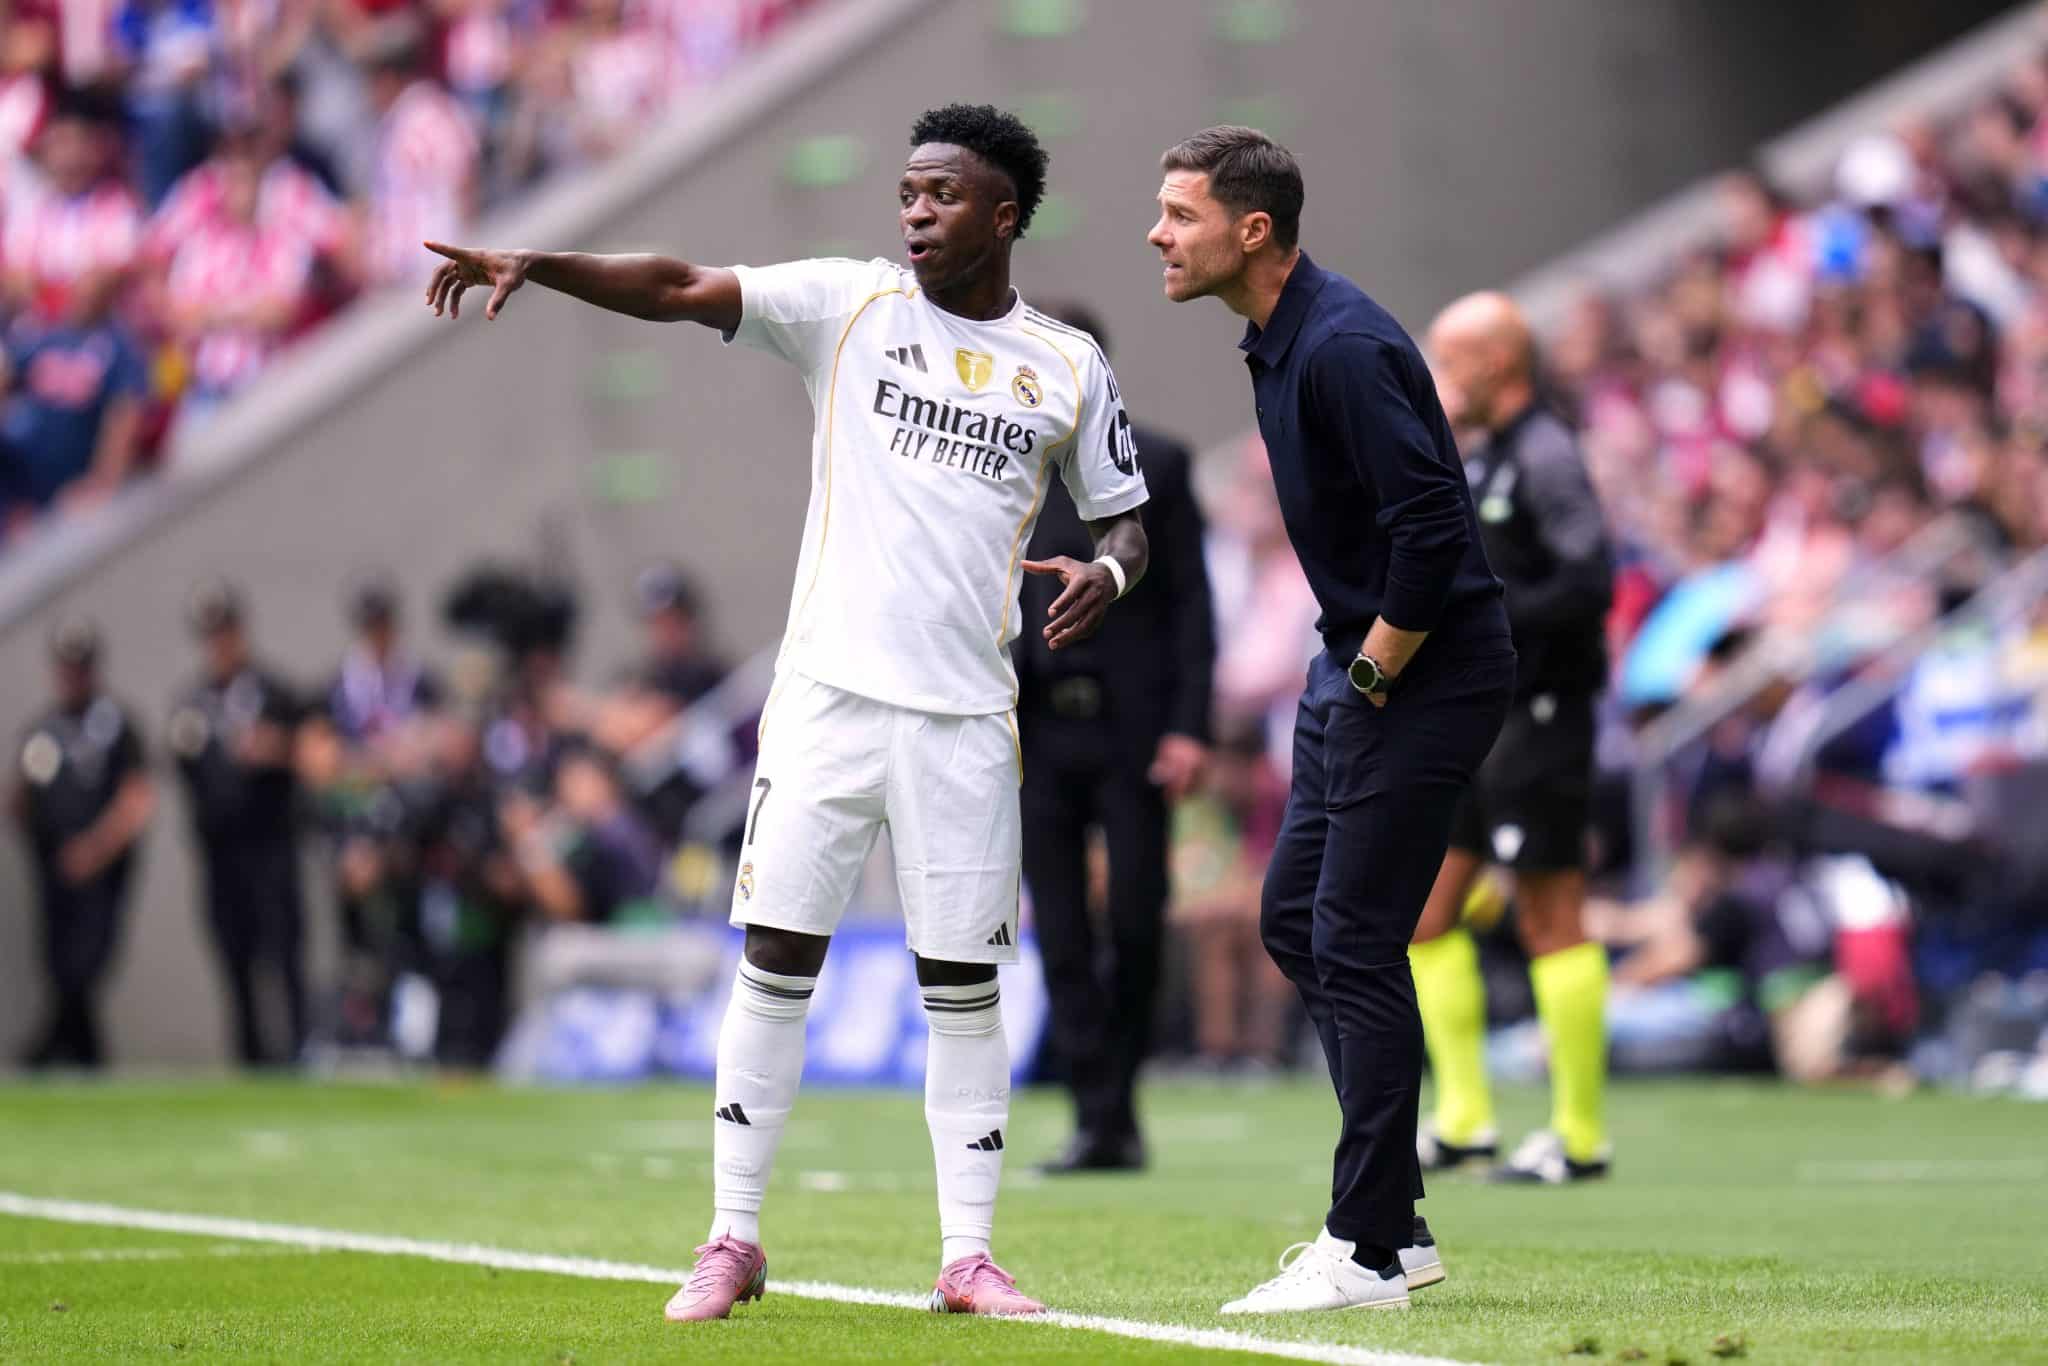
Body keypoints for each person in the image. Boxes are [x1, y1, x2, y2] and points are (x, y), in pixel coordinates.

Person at [423, 102, 1150, 1321]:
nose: (913, 211)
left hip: (968, 717)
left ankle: (966, 1255)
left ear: (1003, 215)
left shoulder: (1066, 364)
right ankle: (732, 1236)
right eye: (907, 192)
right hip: (824, 702)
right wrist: (541, 266)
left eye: (941, 195)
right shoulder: (847, 305)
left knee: (962, 984)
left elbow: (1125, 511)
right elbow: (675, 285)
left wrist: (1110, 571)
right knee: (775, 960)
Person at [1150, 125, 1514, 1313]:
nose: (1158, 233)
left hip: (1416, 671)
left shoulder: (1343, 345)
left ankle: (1361, 1246)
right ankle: (1395, 1222)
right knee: (1295, 919)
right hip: (1349, 665)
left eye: (1180, 214)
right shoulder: (1282, 337)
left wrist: (1367, 679)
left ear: (1251, 230)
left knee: (1352, 935)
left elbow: (1431, 536)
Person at [1409, 290, 1617, 1185]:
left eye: (1451, 357)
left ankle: (1579, 1137)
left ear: (1498, 362)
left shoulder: (1547, 453)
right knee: (1426, 915)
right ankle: (1464, 1118)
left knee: (1547, 912)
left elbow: (1589, 577)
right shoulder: (1487, 454)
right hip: (1482, 716)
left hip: (1541, 715)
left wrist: (1483, 617)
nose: (1439, 373)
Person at [1013, 299, 1214, 1175]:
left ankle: (1122, 1104)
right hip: (1035, 733)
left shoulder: (1157, 465)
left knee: (1134, 924)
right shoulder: (1002, 467)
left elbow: (1192, 607)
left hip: (1134, 731)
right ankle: (1096, 1115)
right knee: (1056, 930)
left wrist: (1190, 728)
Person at [169, 580, 308, 1066]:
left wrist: (277, 748)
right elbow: (184, 772)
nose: (220, 644)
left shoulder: (273, 691)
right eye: (211, 634)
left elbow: (311, 752)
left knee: (285, 954)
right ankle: (250, 1058)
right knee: (234, 957)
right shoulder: (192, 704)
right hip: (221, 853)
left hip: (271, 846)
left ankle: (299, 1051)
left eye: (226, 631)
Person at [11, 619, 155, 1068]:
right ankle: (80, 1058)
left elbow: (136, 800)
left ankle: (49, 1052)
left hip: (101, 875)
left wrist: (94, 849)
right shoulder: (43, 730)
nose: (73, 676)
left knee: (86, 969)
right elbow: (18, 798)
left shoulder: (115, 726)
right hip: (53, 872)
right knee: (59, 969)